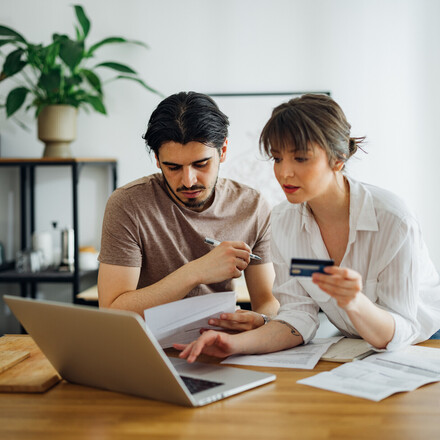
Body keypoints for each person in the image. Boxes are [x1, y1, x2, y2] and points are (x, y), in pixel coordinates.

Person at [176, 93, 440, 362]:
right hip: (359, 346)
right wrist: (233, 344)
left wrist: (355, 302)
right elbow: (297, 317)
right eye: (277, 159)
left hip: (424, 344)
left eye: (300, 159)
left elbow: (401, 331)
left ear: (338, 158)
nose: (284, 173)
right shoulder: (282, 221)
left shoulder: (393, 219)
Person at [97, 91, 279, 330]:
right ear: (157, 159)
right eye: (172, 167)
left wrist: (261, 319)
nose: (189, 180)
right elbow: (112, 311)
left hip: (220, 345)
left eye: (201, 164)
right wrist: (196, 272)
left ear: (223, 151)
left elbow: (267, 301)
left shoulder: (252, 207)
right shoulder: (128, 204)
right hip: (148, 349)